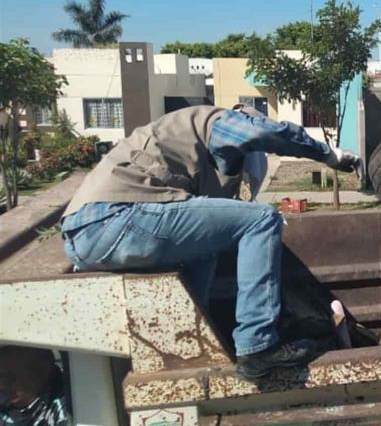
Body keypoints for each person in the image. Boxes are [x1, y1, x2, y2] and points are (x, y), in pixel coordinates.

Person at [60, 105, 361, 380]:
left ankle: (197, 344)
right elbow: (262, 132)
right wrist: (327, 155)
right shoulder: (217, 121)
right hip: (114, 218)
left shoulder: (193, 160)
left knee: (206, 249)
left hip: (90, 236)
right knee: (262, 219)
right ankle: (257, 347)